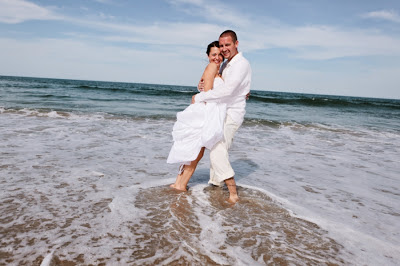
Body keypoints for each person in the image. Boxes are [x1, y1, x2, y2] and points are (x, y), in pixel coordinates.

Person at [192, 30, 252, 203]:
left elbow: (228, 90)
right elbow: (219, 85)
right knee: (219, 149)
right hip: (220, 112)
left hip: (232, 115)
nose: (224, 49)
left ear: (236, 44)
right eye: (222, 45)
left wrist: (199, 97)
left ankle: (233, 193)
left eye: (228, 45)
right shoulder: (226, 64)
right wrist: (202, 84)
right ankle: (216, 186)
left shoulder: (241, 64)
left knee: (217, 151)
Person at [167, 41, 226, 191]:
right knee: (195, 153)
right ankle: (181, 186)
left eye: (220, 54)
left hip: (204, 112)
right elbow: (206, 95)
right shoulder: (212, 67)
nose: (217, 57)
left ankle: (178, 183)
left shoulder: (216, 70)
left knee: (192, 151)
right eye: (214, 54)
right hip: (204, 114)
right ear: (208, 56)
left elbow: (203, 88)